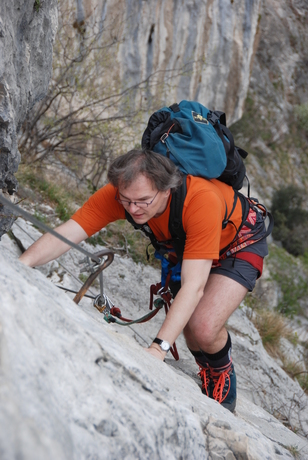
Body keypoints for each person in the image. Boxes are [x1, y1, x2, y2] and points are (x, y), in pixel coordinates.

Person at [19, 149, 270, 413]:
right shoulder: (121, 195)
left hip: (238, 243)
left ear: (166, 190)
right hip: (186, 244)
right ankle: (205, 366)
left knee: (204, 326)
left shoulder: (200, 200)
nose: (133, 209)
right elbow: (68, 233)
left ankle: (222, 370)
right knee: (189, 331)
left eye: (142, 201)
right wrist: (20, 265)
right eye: (126, 200)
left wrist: (157, 349)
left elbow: (193, 287)